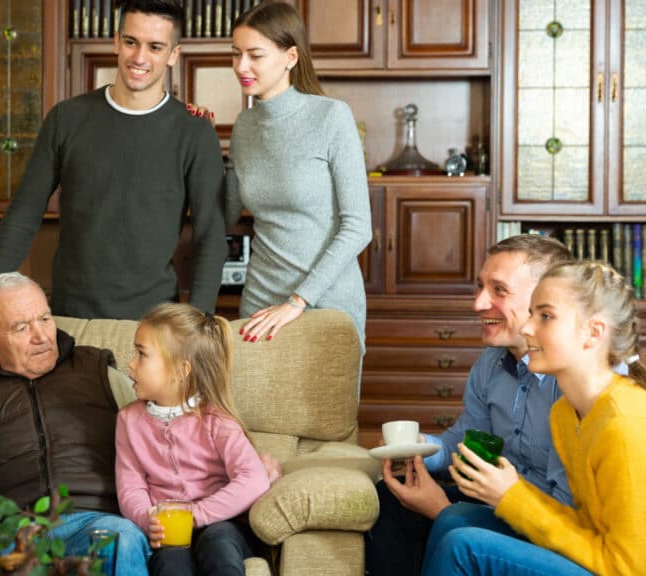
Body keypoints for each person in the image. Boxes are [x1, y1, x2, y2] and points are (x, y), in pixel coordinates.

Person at [0, 0, 226, 325]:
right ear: (116, 41)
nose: (139, 57)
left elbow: (211, 236)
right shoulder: (66, 118)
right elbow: (24, 213)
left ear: (174, 53)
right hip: (68, 319)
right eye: (131, 42)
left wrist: (200, 322)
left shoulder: (194, 131)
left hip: (154, 327)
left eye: (155, 47)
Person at [365, 234, 574, 576]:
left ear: (546, 303)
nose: (478, 303)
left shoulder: (571, 383)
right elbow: (464, 439)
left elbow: (564, 512)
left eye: (498, 290)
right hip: (498, 501)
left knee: (453, 523)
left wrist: (441, 507)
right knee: (388, 497)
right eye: (480, 287)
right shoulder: (491, 364)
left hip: (548, 523)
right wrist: (420, 448)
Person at [423, 261, 646, 575]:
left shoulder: (625, 425)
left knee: (463, 546)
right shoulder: (565, 414)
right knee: (453, 518)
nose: (527, 328)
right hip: (600, 555)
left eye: (546, 316)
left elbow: (629, 567)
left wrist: (512, 496)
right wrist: (508, 492)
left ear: (592, 333)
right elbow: (581, 524)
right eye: (531, 314)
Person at [0, 272, 152, 574]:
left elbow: (158, 442)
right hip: (4, 531)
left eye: (45, 319)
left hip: (92, 520)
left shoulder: (100, 373)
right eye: (22, 327)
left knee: (122, 539)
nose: (42, 336)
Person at [226, 2, 370, 343]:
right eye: (235, 54)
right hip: (259, 304)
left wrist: (297, 301)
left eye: (255, 55)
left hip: (326, 303)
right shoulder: (244, 126)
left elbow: (358, 227)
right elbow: (225, 214)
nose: (241, 66)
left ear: (290, 57)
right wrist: (196, 136)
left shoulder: (331, 116)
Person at [116, 303, 270, 575]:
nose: (130, 363)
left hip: (225, 524)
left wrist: (194, 516)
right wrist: (146, 517)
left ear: (181, 370)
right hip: (169, 532)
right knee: (170, 562)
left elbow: (254, 478)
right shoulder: (128, 421)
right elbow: (131, 486)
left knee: (218, 544)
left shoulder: (215, 419)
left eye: (142, 354)